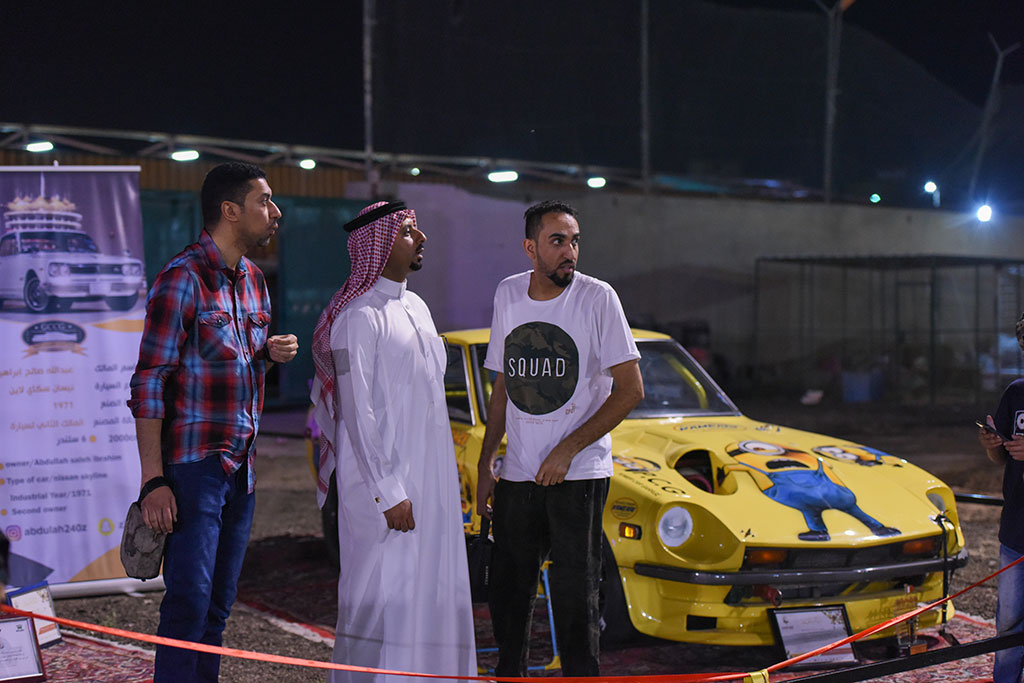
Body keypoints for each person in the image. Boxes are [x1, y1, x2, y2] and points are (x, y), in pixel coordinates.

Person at [128, 162, 298, 682]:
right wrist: (154, 481)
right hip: (194, 468)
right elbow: (149, 381)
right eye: (264, 201)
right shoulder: (182, 278)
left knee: (218, 606)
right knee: (188, 603)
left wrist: (266, 354)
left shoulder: (254, 281)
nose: (275, 212)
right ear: (230, 210)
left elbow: (225, 364)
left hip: (241, 468)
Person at [476, 199, 644, 676]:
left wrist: (567, 450)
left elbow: (631, 390)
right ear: (530, 248)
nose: (570, 251)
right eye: (557, 241)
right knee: (509, 592)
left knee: (577, 594)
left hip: (579, 474)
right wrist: (487, 464)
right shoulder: (508, 293)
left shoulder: (598, 297)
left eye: (574, 241)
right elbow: (503, 386)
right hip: (518, 473)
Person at [310, 201, 476, 683]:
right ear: (378, 247)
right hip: (383, 489)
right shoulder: (357, 318)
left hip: (431, 479)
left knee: (432, 590)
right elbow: (357, 413)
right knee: (378, 599)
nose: (420, 238)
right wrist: (388, 491)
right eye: (407, 231)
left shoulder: (418, 308)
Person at [980, 313, 1024, 683]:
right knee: (1007, 627)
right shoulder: (1016, 392)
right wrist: (992, 445)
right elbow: (1000, 459)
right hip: (1015, 530)